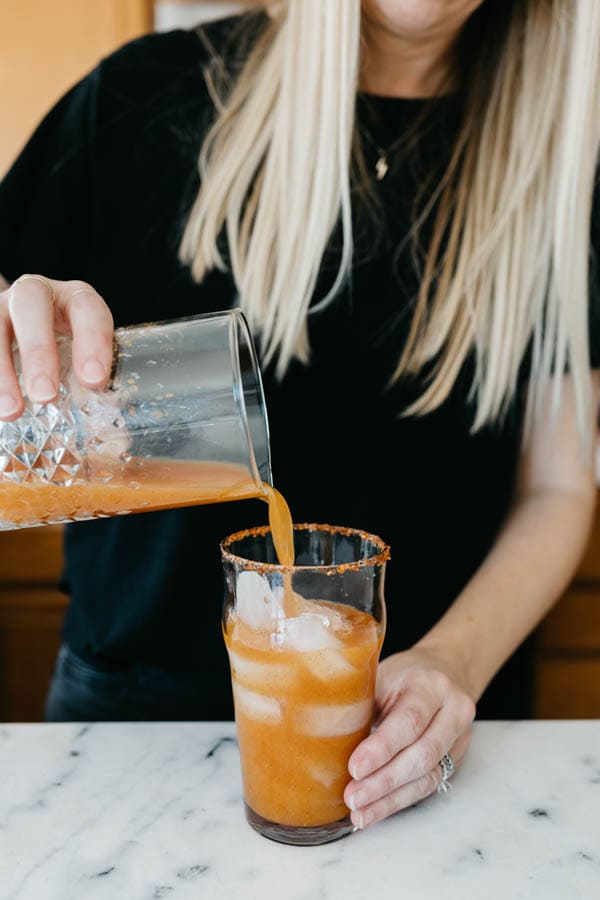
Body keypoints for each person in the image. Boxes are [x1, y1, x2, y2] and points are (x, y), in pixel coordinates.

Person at [0, 0, 598, 831]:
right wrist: (17, 321)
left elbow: (560, 488)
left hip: (419, 738)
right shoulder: (139, 100)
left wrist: (451, 667)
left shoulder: (564, 162)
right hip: (133, 722)